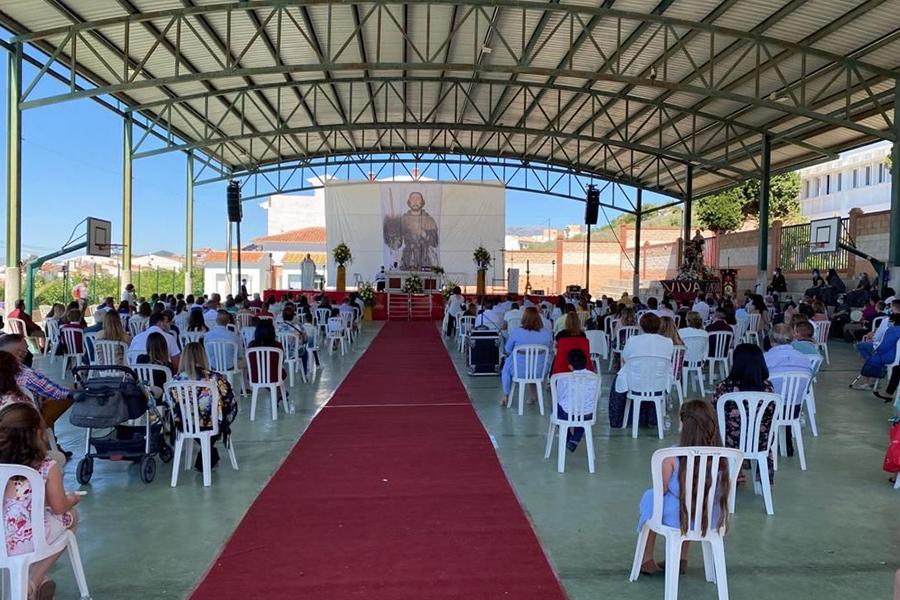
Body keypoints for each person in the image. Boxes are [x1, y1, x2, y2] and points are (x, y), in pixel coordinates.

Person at [636, 400, 730, 576]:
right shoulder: (722, 456)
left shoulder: (671, 456)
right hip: (710, 517)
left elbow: (662, 489)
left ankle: (646, 559)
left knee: (652, 498)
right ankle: (681, 559)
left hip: (681, 518)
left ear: (684, 425)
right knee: (694, 500)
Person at [0, 402, 81, 598]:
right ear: (38, 433)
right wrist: (72, 499)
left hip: (1, 538)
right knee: (71, 517)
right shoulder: (46, 466)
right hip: (29, 540)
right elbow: (59, 507)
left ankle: (24, 580)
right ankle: (33, 581)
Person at [712, 344, 777, 486]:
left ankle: (731, 474)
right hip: (760, 442)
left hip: (730, 442)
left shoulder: (724, 388)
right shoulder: (768, 388)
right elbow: (772, 416)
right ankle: (762, 481)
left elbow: (713, 414)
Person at [170, 343, 238, 470]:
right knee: (226, 409)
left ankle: (207, 451)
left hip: (186, 424)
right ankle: (209, 450)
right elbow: (230, 401)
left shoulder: (174, 381)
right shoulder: (215, 378)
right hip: (211, 423)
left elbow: (171, 404)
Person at [609, 313, 673, 429]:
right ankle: (652, 418)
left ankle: (617, 419)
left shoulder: (633, 340)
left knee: (618, 381)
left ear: (641, 326)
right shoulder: (668, 342)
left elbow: (625, 358)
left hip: (635, 384)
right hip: (658, 384)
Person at [500, 308, 552, 405]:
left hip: (519, 371)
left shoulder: (517, 332)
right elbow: (549, 349)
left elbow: (508, 350)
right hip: (540, 371)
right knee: (533, 362)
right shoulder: (546, 333)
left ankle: (505, 395)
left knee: (507, 364)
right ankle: (533, 395)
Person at [554, 349, 599, 452]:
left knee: (556, 409)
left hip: (567, 414)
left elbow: (559, 397)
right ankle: (575, 438)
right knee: (583, 417)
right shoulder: (594, 377)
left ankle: (569, 438)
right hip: (588, 414)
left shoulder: (563, 378)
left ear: (570, 366)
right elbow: (597, 395)